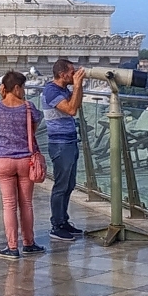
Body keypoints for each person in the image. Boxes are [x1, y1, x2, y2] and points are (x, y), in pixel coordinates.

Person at [0, 70, 44, 259]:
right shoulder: (29, 107)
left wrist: (2, 94)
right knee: (26, 203)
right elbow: (33, 131)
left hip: (3, 159)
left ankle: (12, 247)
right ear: (18, 87)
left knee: (9, 204)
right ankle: (28, 242)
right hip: (25, 160)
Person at [41, 58, 87, 241]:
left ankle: (63, 220)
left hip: (69, 141)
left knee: (69, 184)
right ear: (62, 74)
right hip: (60, 144)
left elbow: (77, 104)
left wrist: (78, 86)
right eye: (71, 71)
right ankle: (56, 225)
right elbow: (71, 110)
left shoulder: (63, 90)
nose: (74, 74)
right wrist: (76, 86)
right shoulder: (51, 90)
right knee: (61, 185)